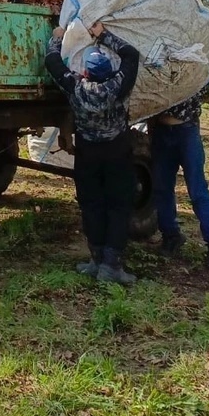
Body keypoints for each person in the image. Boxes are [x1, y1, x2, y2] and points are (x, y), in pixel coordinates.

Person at [45, 20, 141, 284]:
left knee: (91, 203)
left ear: (85, 72)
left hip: (87, 153)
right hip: (116, 151)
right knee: (119, 206)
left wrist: (57, 37)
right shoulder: (119, 85)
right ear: (110, 71)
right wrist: (104, 36)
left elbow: (53, 62)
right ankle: (111, 265)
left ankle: (96, 259)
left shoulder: (76, 88)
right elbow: (131, 54)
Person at [149, 29, 209, 270]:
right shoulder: (157, 40)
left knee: (197, 189)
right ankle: (171, 236)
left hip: (186, 130)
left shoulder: (198, 41)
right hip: (161, 130)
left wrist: (208, 28)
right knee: (162, 188)